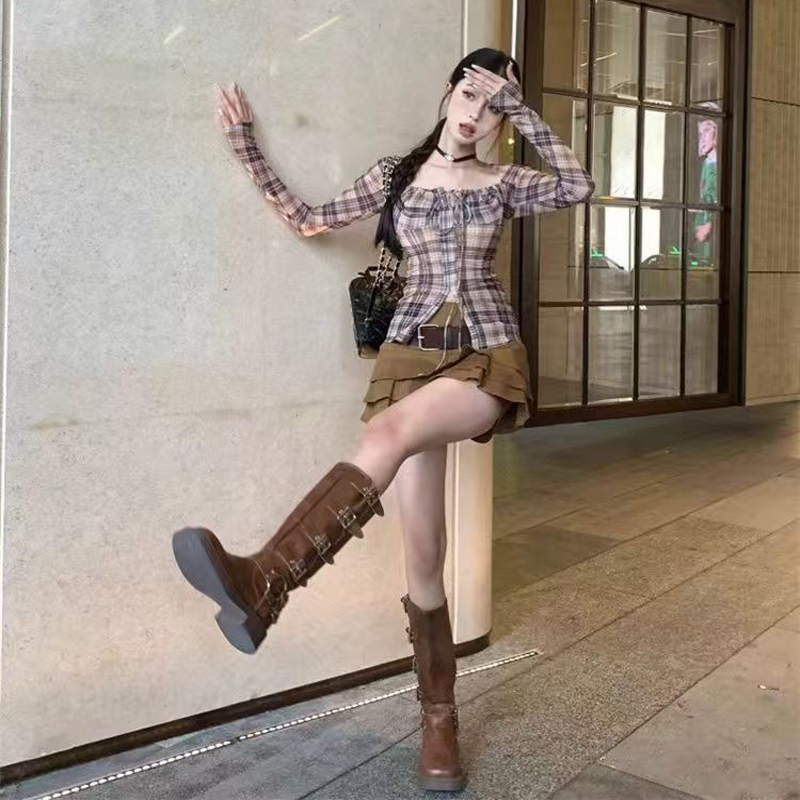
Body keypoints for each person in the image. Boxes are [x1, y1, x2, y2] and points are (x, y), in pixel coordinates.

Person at [172, 47, 594, 792]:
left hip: (484, 356)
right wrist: (246, 146)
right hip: (406, 359)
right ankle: (439, 723)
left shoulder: (504, 182)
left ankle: (267, 577)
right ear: (448, 91)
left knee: (387, 434)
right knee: (424, 562)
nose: (477, 112)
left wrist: (522, 109)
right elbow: (309, 220)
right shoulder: (396, 177)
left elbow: (577, 185)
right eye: (470, 93)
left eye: (493, 103)